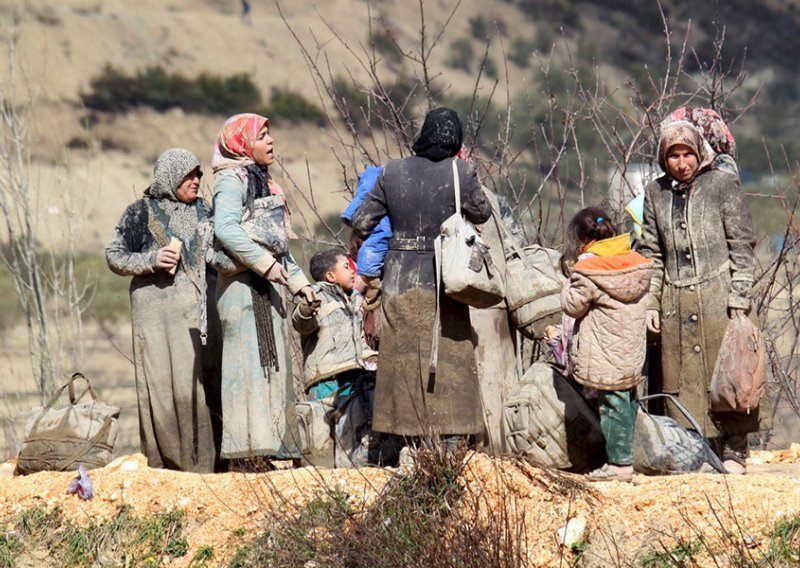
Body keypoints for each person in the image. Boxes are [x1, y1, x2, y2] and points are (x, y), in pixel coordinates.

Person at [351, 107, 492, 445]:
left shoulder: (392, 172)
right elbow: (482, 211)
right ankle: (451, 437)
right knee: (451, 354)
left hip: (400, 278)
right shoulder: (462, 171)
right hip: (446, 279)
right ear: (455, 138)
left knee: (401, 357)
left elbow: (361, 221)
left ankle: (403, 440)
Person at [639, 120, 759, 474]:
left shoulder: (722, 186)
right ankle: (695, 453)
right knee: (681, 383)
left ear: (699, 152)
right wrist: (652, 302)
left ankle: (734, 452)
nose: (681, 162)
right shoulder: (654, 193)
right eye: (673, 155)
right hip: (676, 304)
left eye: (687, 153)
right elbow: (652, 254)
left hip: (718, 300)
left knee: (730, 377)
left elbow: (742, 244)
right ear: (664, 158)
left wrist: (739, 296)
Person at [211, 113, 318, 465]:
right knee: (248, 369)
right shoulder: (231, 180)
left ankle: (271, 447)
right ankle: (248, 452)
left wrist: (301, 285)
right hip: (242, 289)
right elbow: (226, 228)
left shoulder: (264, 181)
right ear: (243, 143)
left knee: (272, 367)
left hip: (266, 286)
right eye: (262, 136)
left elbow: (278, 246)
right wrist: (264, 264)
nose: (271, 142)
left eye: (271, 135)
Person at [106, 148, 218, 473]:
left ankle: (207, 465)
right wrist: (150, 260)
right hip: (155, 317)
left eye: (199, 174)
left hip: (200, 314)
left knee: (201, 382)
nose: (197, 180)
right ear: (171, 176)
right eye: (190, 174)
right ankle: (168, 464)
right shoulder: (140, 213)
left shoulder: (205, 212)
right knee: (162, 385)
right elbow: (115, 255)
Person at [559, 207, 653, 481]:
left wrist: (566, 285)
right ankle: (629, 454)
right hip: (631, 348)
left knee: (610, 404)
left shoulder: (588, 269)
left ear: (579, 240)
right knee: (627, 400)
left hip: (604, 349)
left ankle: (619, 464)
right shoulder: (633, 260)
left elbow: (573, 306)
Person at [292, 248, 379, 467]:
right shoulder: (314, 297)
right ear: (330, 276)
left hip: (351, 381)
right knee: (318, 455)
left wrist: (374, 357)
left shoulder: (355, 302)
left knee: (348, 448)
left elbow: (359, 341)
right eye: (346, 267)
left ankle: (346, 491)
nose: (352, 271)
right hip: (322, 384)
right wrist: (306, 309)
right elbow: (302, 323)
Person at [659, 107, 738, 178]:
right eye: (674, 156)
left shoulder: (722, 174)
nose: (682, 165)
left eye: (688, 154)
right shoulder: (659, 187)